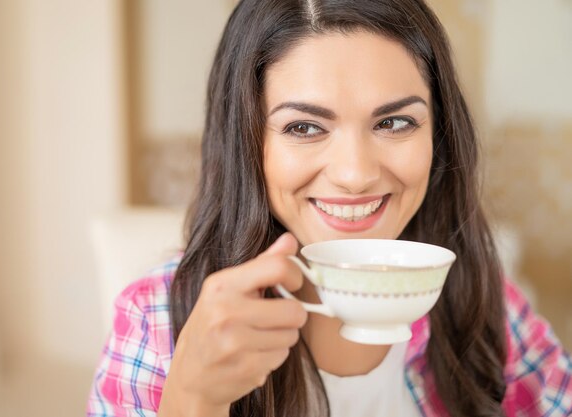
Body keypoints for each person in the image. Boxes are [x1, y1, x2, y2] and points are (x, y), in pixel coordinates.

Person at [87, 0, 572, 416]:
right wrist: (192, 399)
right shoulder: (159, 320)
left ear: (439, 138)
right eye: (304, 127)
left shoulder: (486, 300)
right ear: (247, 144)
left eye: (396, 122)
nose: (356, 173)